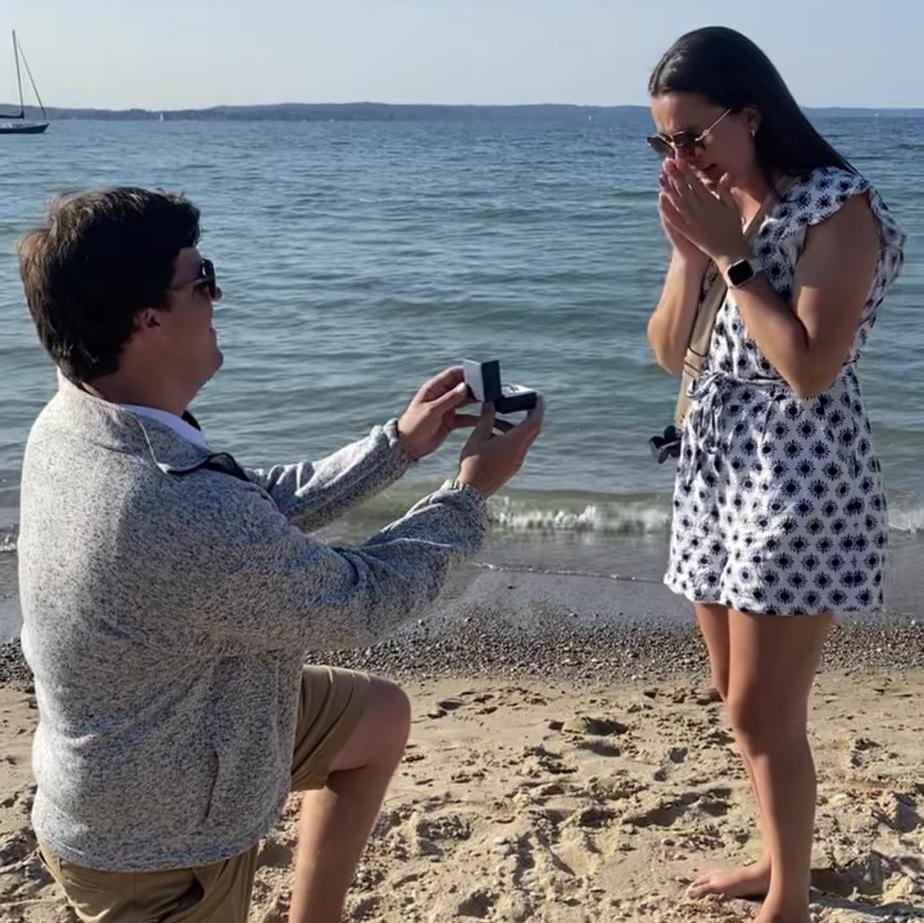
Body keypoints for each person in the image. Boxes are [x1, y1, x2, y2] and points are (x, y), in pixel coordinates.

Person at [17, 187, 543, 923]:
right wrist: (471, 490)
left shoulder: (82, 416)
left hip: (167, 740)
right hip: (158, 851)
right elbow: (360, 600)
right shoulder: (173, 504)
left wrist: (398, 445)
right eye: (202, 280)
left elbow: (248, 506)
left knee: (378, 717)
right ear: (148, 319)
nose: (218, 294)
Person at [645, 26, 904, 923]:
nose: (681, 158)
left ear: (749, 116)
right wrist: (690, 256)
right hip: (716, 468)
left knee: (762, 710)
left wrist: (728, 254)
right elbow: (668, 348)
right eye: (665, 143)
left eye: (693, 137)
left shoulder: (838, 208)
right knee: (734, 698)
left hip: (800, 479)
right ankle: (773, 856)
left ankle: (788, 897)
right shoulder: (724, 216)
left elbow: (808, 366)